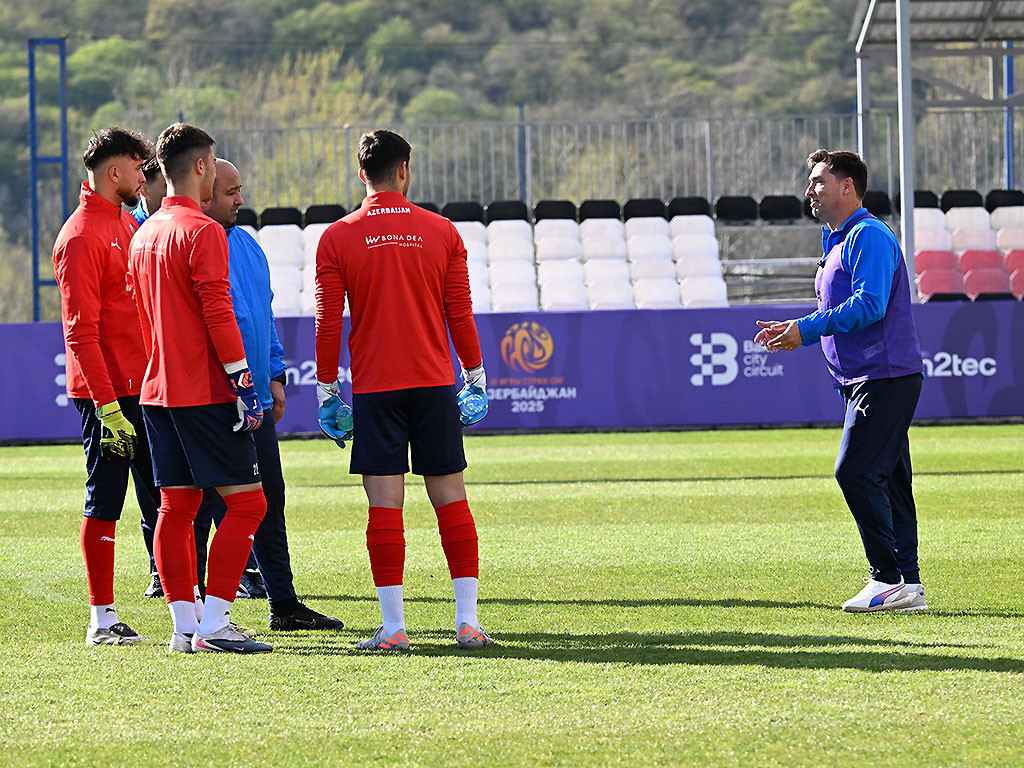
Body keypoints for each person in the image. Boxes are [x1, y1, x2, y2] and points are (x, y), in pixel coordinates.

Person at [315, 129, 493, 651]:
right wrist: (475, 375)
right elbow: (460, 312)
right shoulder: (441, 231)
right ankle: (467, 623)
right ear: (404, 170)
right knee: (451, 499)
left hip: (377, 388)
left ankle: (394, 629)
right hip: (434, 383)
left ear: (361, 174)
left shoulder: (337, 237)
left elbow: (328, 323)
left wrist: (327, 391)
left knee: (384, 505)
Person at [754, 148, 926, 613]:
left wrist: (806, 329)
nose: (809, 190)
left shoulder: (868, 235)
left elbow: (870, 304)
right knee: (889, 478)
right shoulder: (838, 241)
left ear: (847, 187)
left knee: (854, 470)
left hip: (884, 374)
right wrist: (798, 329)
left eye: (818, 181)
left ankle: (886, 577)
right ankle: (908, 583)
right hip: (867, 377)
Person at [128, 123, 272, 653]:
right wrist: (243, 381)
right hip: (204, 390)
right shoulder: (203, 231)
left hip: (157, 390)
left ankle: (184, 627)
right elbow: (218, 310)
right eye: (212, 163)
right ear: (200, 166)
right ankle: (215, 622)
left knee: (176, 507)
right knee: (249, 505)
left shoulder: (143, 234)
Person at [198, 157, 344, 631]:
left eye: (240, 189)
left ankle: (283, 604)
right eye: (231, 192)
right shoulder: (193, 243)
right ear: (204, 193)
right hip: (212, 401)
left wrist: (276, 373)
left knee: (269, 501)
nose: (241, 199)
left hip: (255, 398)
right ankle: (199, 613)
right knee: (206, 509)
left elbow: (264, 315)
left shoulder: (247, 244)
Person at [52, 127, 158, 646]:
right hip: (109, 396)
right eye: (138, 168)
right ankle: (102, 619)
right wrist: (107, 406)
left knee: (169, 495)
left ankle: (190, 609)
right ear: (115, 172)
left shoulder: (125, 222)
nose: (144, 177)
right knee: (106, 500)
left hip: (146, 387)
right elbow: (81, 332)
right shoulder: (78, 236)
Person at [130, 156, 167, 228]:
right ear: (144, 190)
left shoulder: (181, 223)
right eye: (166, 185)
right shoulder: (127, 227)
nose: (173, 190)